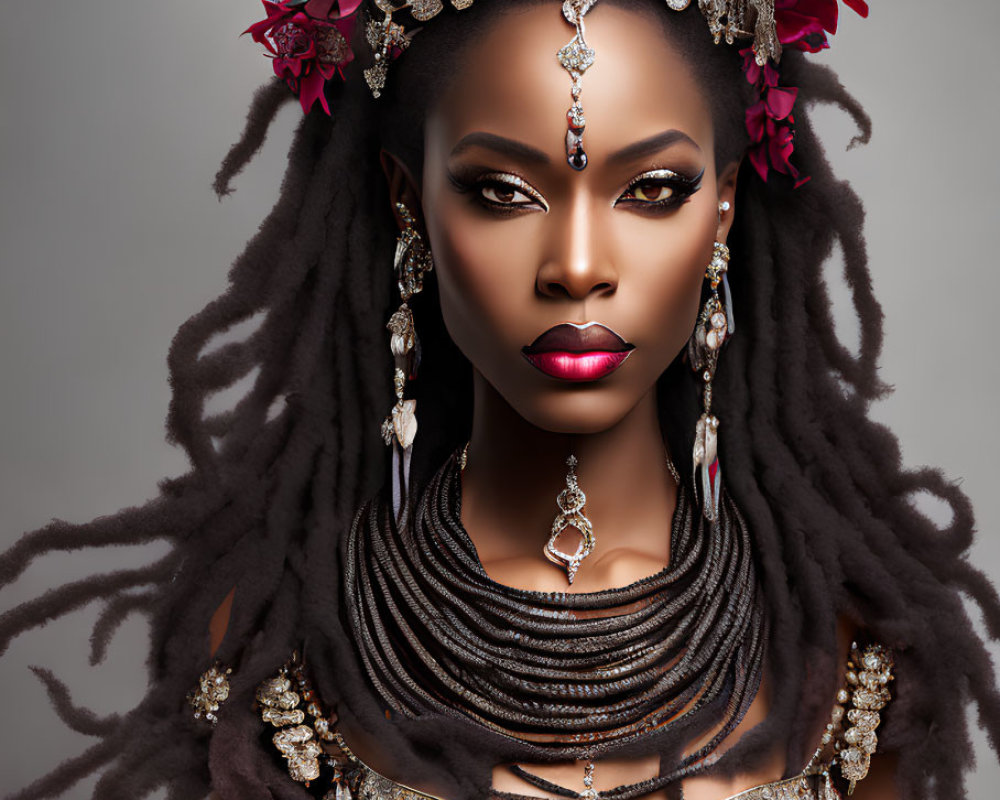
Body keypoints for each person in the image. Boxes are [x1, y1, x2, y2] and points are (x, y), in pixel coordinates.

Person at [2, 1, 999, 799]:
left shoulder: (852, 655)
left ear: (725, 209)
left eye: (650, 188)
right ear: (409, 203)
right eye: (500, 191)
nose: (575, 267)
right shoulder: (280, 647)